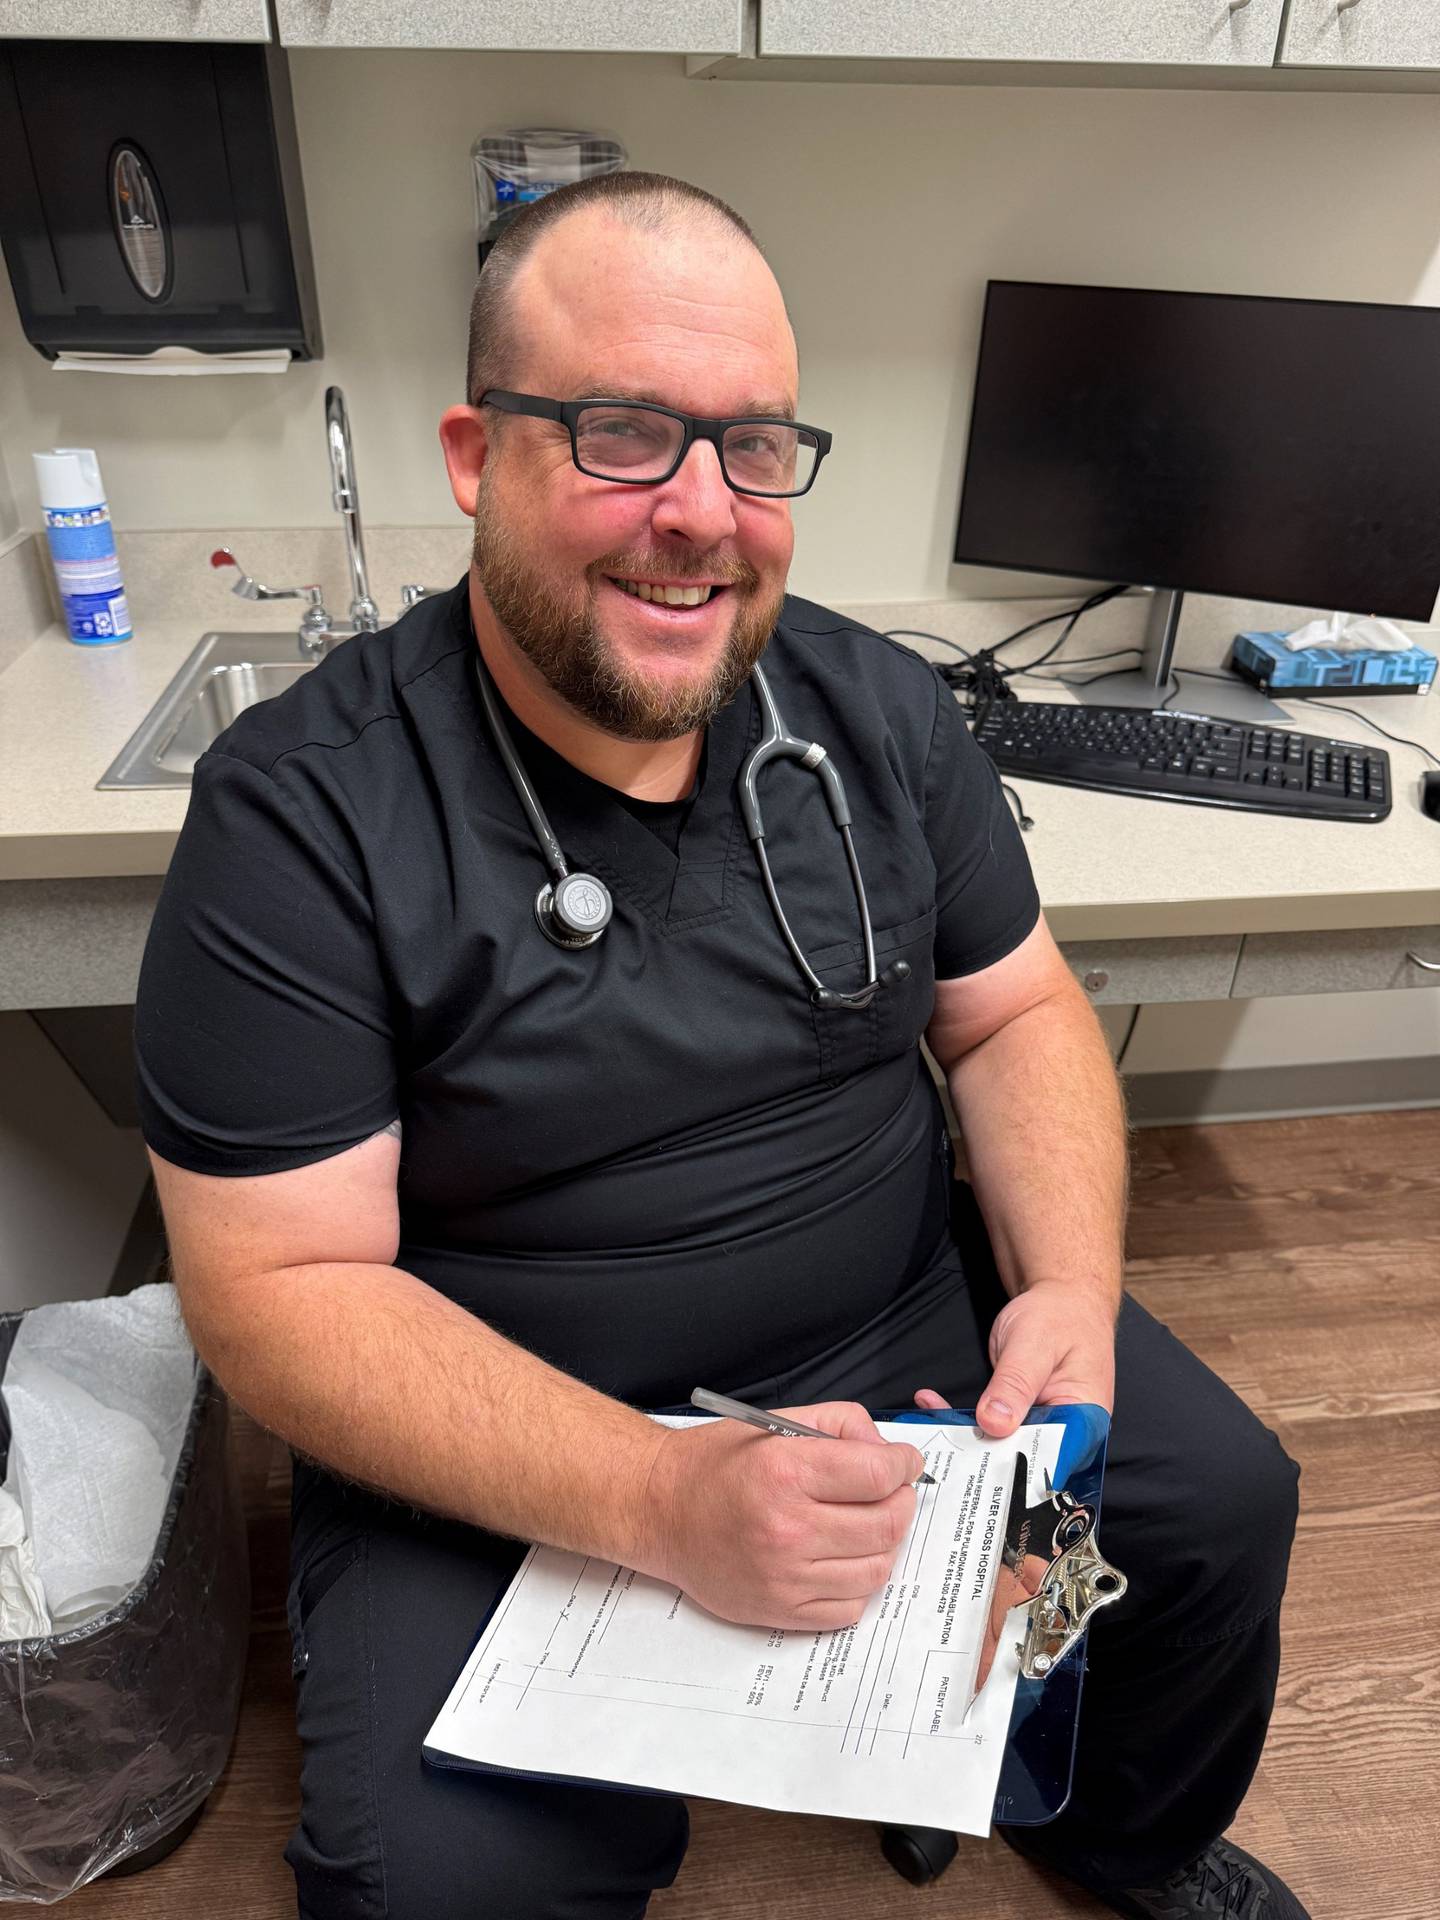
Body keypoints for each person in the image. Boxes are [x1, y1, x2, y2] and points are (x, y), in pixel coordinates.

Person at [134, 172, 1306, 1920]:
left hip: (915, 1334)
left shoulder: (877, 711)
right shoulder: (300, 817)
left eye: (754, 447)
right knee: (444, 1885)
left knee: (1212, 1511)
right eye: (622, 434)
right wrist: (661, 1500)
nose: (700, 511)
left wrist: (1061, 1286)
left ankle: (1073, 1807)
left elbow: (1013, 1012)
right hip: (513, 1421)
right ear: (475, 456)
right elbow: (273, 1294)